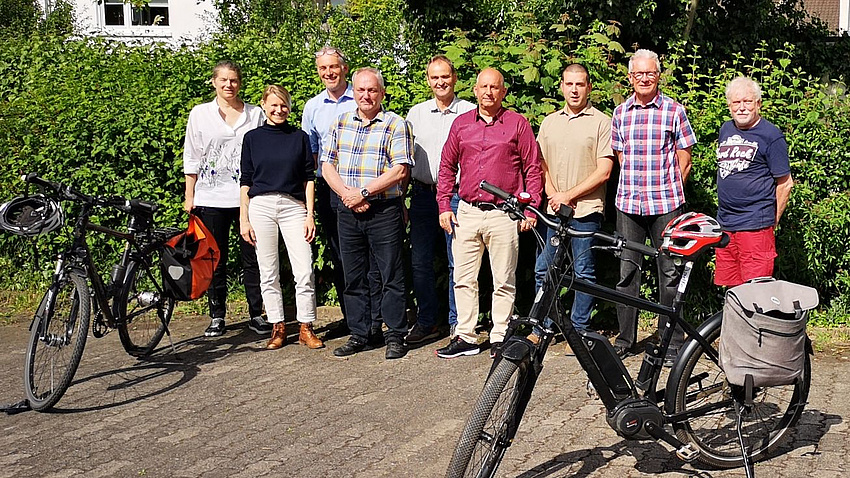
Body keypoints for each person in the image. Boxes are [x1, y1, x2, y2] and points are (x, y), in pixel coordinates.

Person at [435, 68, 543, 359]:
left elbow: (533, 168)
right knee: (463, 278)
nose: (488, 92)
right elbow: (446, 167)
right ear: (475, 90)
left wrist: (531, 209)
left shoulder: (518, 124)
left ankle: (500, 335)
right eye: (483, 87)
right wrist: (444, 206)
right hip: (467, 212)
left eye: (494, 87)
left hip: (503, 214)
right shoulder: (460, 125)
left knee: (504, 280)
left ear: (503, 92)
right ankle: (466, 336)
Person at [610, 49, 698, 363]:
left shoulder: (674, 111)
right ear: (630, 77)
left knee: (670, 272)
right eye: (639, 74)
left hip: (666, 204)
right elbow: (621, 157)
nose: (644, 79)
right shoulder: (620, 113)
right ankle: (625, 339)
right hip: (629, 204)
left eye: (650, 73)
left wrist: (669, 190)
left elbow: (685, 159)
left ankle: (671, 341)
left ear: (658, 76)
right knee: (627, 273)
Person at [321, 67, 414, 360]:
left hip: (383, 210)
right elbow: (327, 165)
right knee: (353, 275)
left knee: (390, 275)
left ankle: (395, 335)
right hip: (348, 209)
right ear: (354, 93)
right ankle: (361, 334)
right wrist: (347, 195)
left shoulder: (395, 124)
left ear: (381, 93)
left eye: (372, 90)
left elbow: (399, 169)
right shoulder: (340, 122)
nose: (366, 95)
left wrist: (363, 192)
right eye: (361, 90)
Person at [302, 46, 384, 344]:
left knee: (372, 258)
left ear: (344, 68)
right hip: (332, 190)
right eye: (323, 68)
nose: (329, 73)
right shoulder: (313, 107)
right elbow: (312, 154)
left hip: (368, 189)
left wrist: (360, 192)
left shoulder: (363, 93)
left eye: (333, 67)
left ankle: (375, 321)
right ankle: (353, 320)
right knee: (342, 256)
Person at [182, 60, 266, 338]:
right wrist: (190, 195)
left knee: (252, 258)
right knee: (213, 259)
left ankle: (256, 313)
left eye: (234, 80)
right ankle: (217, 315)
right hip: (210, 197)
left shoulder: (255, 114)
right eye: (224, 80)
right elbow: (192, 155)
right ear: (214, 82)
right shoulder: (200, 113)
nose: (229, 85)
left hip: (248, 197)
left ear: (239, 83)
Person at [239, 85, 324, 350]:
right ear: (263, 105)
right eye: (274, 105)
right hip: (260, 206)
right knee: (268, 271)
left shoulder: (299, 137)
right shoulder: (252, 138)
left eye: (284, 105)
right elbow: (245, 180)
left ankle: (306, 326)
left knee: (304, 269)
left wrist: (310, 215)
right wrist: (244, 219)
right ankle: (278, 326)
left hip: (293, 206)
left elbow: (309, 178)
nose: (279, 110)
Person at [534, 63, 614, 334]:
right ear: (561, 87)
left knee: (584, 273)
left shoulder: (602, 122)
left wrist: (568, 195)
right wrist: (553, 194)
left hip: (586, 210)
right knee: (544, 270)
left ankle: (579, 330)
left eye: (580, 84)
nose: (574, 90)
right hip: (554, 211)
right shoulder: (549, 122)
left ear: (589, 87)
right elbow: (540, 164)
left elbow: (604, 171)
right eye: (569, 84)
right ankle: (543, 326)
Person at [404, 55, 475, 344]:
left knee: (458, 262)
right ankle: (427, 321)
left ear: (454, 78)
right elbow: (405, 160)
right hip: (423, 195)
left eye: (445, 76)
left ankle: (458, 323)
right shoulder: (416, 114)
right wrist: (402, 200)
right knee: (420, 261)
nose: (440, 82)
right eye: (435, 77)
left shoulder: (469, 112)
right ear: (428, 80)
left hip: (457, 196)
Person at [715, 76, 793, 287]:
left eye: (747, 101)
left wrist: (772, 220)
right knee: (731, 290)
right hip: (725, 225)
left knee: (756, 291)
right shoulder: (726, 129)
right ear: (729, 105)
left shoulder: (771, 135)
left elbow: (785, 183)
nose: (741, 108)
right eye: (736, 102)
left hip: (755, 227)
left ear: (758, 103)